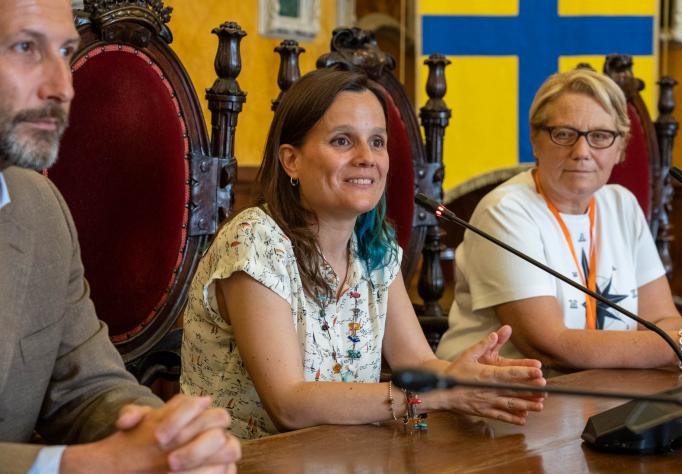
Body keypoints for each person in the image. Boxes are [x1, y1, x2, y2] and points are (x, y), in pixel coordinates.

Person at [180, 67, 547, 440]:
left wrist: (462, 378)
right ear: (291, 160)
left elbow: (417, 362)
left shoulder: (375, 245)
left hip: (346, 453)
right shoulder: (253, 240)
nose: (367, 157)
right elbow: (289, 405)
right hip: (235, 459)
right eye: (342, 141)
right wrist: (433, 397)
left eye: (377, 141)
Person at [0, 0, 241, 472]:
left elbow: (88, 389)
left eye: (65, 50)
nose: (62, 87)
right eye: (26, 47)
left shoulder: (40, 209)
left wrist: (168, 440)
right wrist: (84, 465)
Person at [436, 68, 682, 374]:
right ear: (535, 140)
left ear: (621, 148)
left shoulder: (622, 204)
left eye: (600, 136)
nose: (582, 152)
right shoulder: (505, 211)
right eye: (564, 134)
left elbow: (658, 321)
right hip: (500, 394)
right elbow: (549, 346)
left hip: (607, 389)